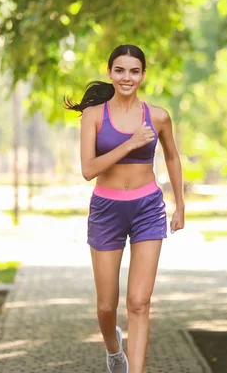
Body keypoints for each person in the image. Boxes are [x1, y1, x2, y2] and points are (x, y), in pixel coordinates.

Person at [65, 44, 185, 373]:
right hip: (107, 210)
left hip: (147, 208)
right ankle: (113, 348)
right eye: (120, 70)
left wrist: (180, 206)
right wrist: (130, 143)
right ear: (110, 72)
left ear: (143, 75)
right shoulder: (94, 116)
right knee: (106, 305)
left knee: (139, 303)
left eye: (134, 71)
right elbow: (88, 169)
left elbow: (172, 157)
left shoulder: (158, 116)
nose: (126, 77)